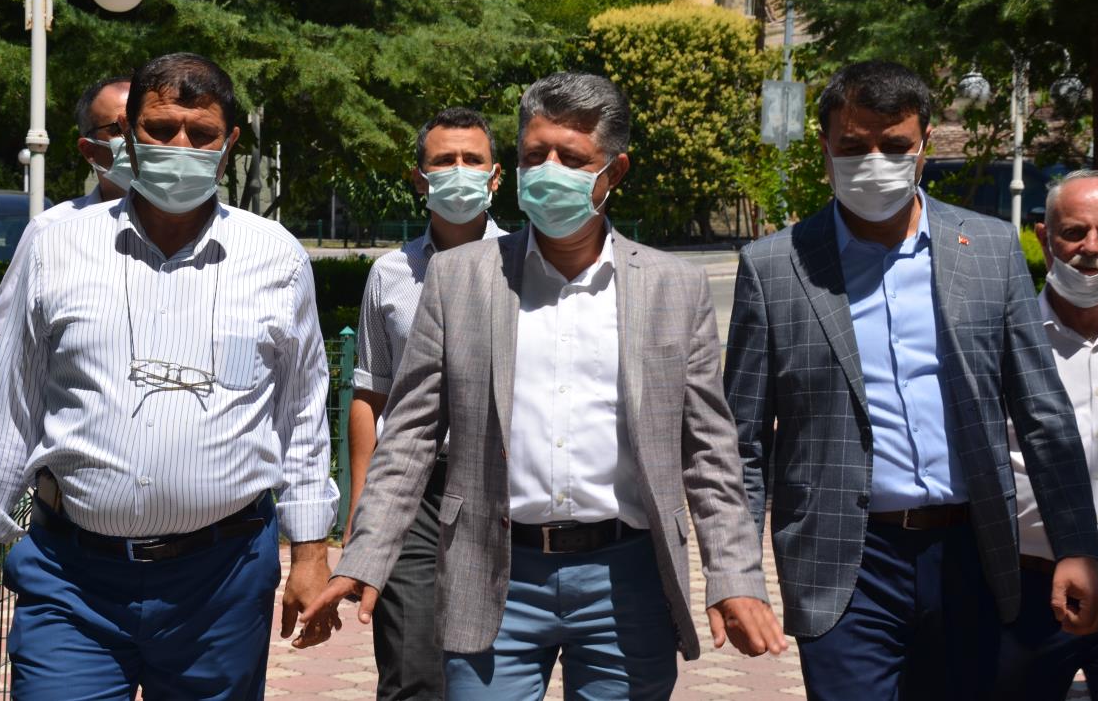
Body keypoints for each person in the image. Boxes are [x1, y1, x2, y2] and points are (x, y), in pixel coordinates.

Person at [305, 71, 785, 699]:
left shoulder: (673, 287)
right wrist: (366, 556)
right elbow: (410, 437)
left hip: (627, 580)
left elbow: (710, 453)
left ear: (613, 171)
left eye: (572, 158)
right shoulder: (460, 279)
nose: (549, 171)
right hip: (493, 573)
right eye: (535, 155)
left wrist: (736, 575)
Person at [0, 52, 339, 699]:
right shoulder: (59, 246)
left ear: (228, 145)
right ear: (128, 139)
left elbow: (302, 413)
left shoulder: (274, 258)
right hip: (72, 579)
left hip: (221, 583)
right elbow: (11, 412)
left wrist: (311, 551)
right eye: (160, 129)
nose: (180, 147)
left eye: (201, 134)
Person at [724, 60, 1098, 700]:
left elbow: (1042, 413)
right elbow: (742, 442)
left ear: (924, 143)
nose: (874, 162)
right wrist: (738, 576)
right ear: (826, 148)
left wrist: (1075, 546)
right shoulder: (774, 267)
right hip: (846, 563)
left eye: (895, 145)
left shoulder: (989, 250)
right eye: (854, 146)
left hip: (972, 555)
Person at [348, 106, 506, 700]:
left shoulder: (527, 267)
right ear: (419, 178)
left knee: (491, 675)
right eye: (444, 161)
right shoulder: (390, 274)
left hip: (498, 491)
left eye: (472, 160)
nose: (459, 171)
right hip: (411, 495)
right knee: (411, 671)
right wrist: (361, 512)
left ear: (496, 177)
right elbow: (370, 393)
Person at [995, 169, 1098, 700]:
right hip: (1029, 594)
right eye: (1074, 232)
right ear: (1043, 237)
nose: (1092, 248)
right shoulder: (1001, 339)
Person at [0, 76, 135, 376]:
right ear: (89, 150)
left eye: (149, 125)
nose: (138, 139)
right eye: (120, 129)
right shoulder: (52, 229)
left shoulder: (216, 231)